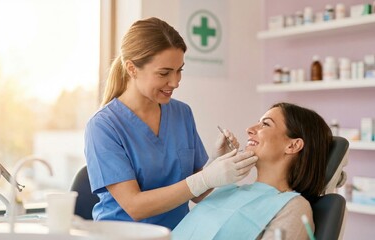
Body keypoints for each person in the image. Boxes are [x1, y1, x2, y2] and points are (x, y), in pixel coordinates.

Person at [84, 17, 258, 230]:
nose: (175, 82)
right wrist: (205, 177)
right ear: (131, 68)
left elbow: (197, 194)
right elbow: (135, 206)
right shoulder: (104, 126)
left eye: (179, 70)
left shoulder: (181, 113)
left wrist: (216, 162)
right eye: (164, 73)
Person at [172, 102, 332, 239]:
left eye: (266, 124)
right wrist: (215, 161)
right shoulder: (229, 190)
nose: (249, 129)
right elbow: (197, 195)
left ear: (292, 145)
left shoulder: (295, 208)